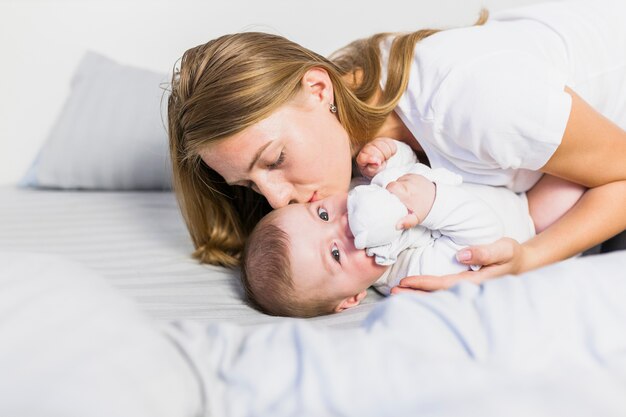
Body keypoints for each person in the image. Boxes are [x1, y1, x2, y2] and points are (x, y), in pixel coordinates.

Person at [167, 0, 626, 292]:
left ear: (319, 90)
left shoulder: (479, 102)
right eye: (248, 184)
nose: (275, 199)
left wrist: (529, 259)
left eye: (275, 160)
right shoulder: (350, 118)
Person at [241, 139, 536, 317]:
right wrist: (430, 202)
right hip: (530, 220)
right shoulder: (411, 276)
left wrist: (388, 156)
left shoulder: (360, 193)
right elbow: (484, 239)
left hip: (505, 181)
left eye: (322, 214)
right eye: (335, 254)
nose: (345, 223)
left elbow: (413, 169)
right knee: (566, 194)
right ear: (352, 299)